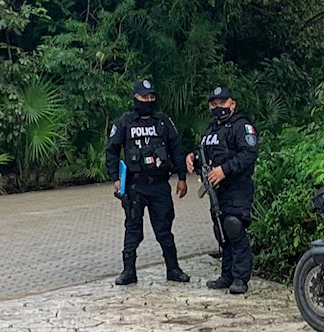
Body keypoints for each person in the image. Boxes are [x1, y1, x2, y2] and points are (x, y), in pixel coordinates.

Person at [105, 79, 190, 286]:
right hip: (134, 186)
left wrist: (182, 178)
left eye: (151, 96)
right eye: (144, 97)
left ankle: (173, 269)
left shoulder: (163, 121)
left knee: (164, 229)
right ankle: (128, 271)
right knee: (133, 229)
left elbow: (176, 149)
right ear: (135, 98)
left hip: (159, 185)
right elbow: (112, 151)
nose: (148, 100)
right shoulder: (124, 122)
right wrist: (116, 178)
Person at [186, 86, 257, 295]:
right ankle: (227, 275)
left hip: (237, 187)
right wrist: (192, 159)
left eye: (223, 102)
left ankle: (240, 278)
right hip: (217, 191)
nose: (218, 107)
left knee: (235, 228)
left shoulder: (241, 126)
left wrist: (224, 170)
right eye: (214, 103)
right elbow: (206, 156)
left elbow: (249, 154)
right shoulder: (211, 130)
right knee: (222, 231)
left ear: (232, 104)